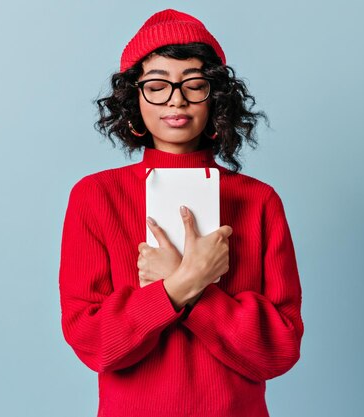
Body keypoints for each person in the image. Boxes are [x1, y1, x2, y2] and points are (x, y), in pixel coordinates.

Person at [59, 9, 303, 417]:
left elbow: (279, 349)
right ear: (133, 98)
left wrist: (192, 290)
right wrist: (182, 284)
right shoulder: (95, 196)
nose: (176, 98)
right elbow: (94, 344)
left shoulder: (259, 200)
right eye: (157, 85)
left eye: (194, 84)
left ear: (217, 97)